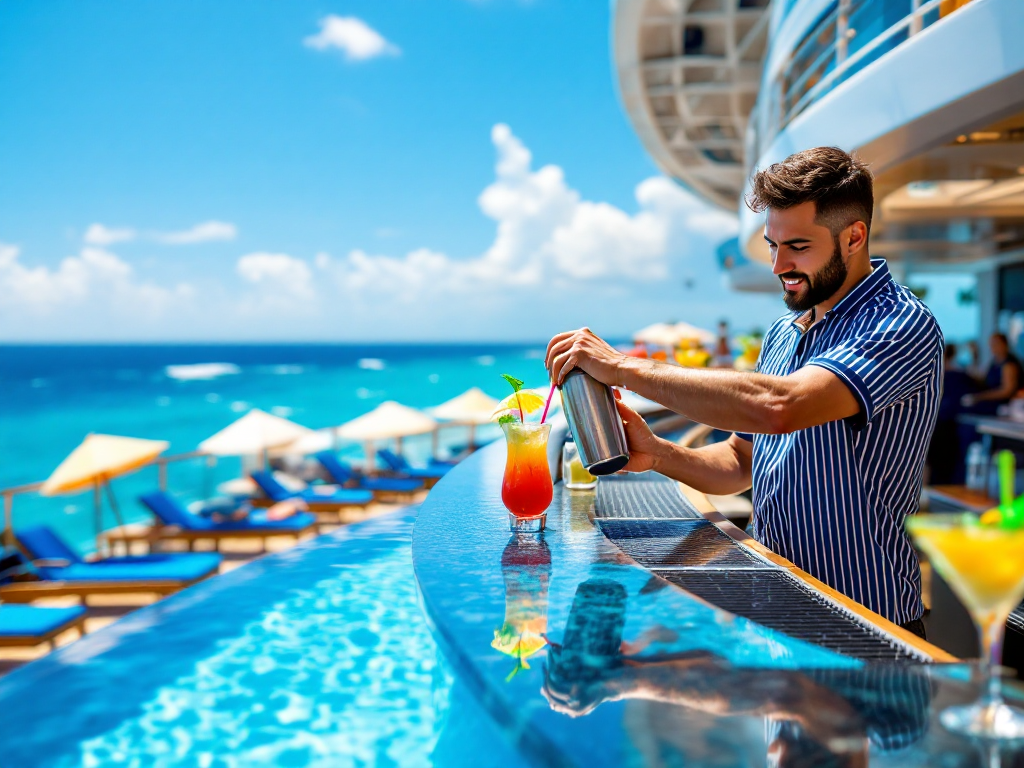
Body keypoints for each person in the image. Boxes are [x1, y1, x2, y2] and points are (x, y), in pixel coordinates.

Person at [546, 147, 943, 637]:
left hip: (864, 619)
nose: (779, 265)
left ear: (854, 237)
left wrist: (622, 367)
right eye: (772, 246)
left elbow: (780, 408)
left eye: (797, 246)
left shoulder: (901, 323)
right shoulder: (783, 333)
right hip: (776, 603)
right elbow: (740, 462)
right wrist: (659, 453)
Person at [927, 342, 976, 484]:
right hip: (947, 422)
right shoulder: (958, 375)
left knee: (934, 463)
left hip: (937, 420)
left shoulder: (935, 373)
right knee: (945, 463)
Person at [961, 333, 1022, 414]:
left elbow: (1007, 391)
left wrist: (980, 397)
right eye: (992, 345)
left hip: (1003, 405)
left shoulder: (1009, 365)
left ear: (1005, 344)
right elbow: (985, 380)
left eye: (996, 344)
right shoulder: (994, 363)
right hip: (992, 401)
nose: (993, 348)